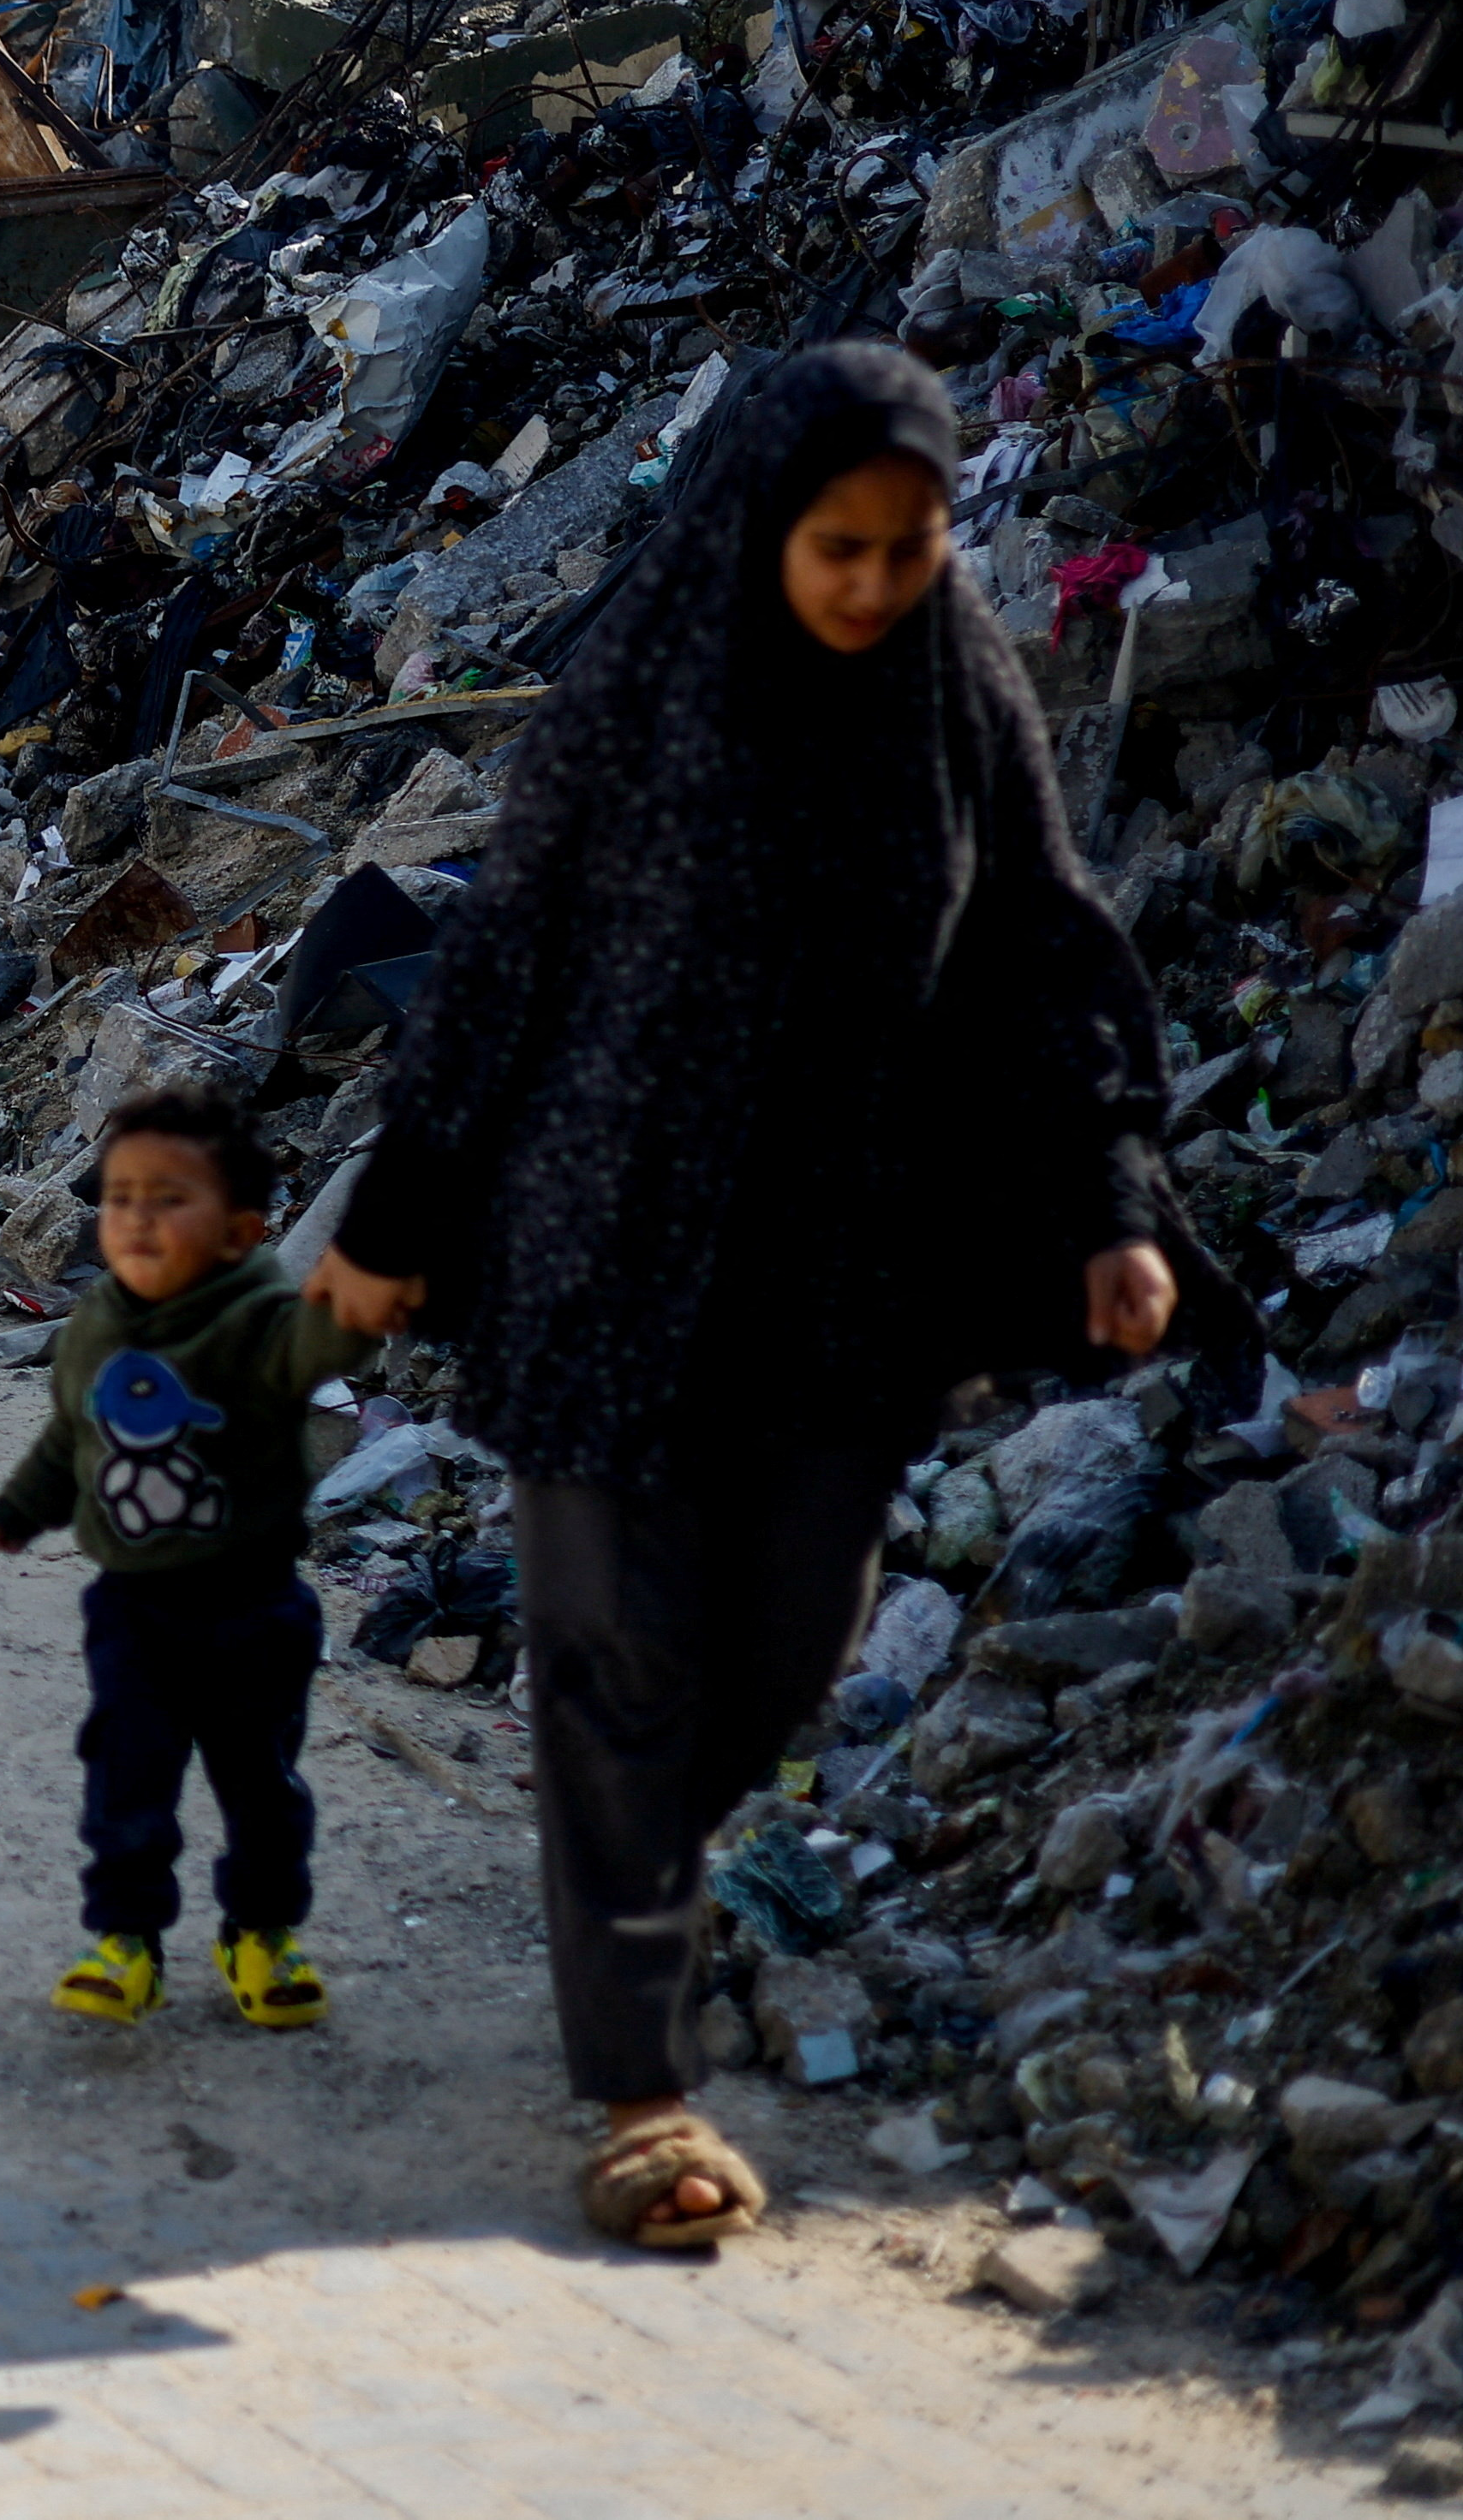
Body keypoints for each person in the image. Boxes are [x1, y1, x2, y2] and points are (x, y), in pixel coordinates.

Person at [302, 340, 1188, 2251]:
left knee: (783, 1648)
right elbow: (503, 955)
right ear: (762, 525)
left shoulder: (950, 682)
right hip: (605, 1243)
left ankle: (622, 1881)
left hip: (846, 1268)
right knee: (618, 1656)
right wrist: (390, 1211)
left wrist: (1113, 1202)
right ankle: (640, 2089)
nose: (870, 584)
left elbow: (1040, 930)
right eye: (836, 547)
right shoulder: (642, 682)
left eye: (907, 545)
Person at [0, 1080, 374, 2034]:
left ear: (242, 1229)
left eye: (170, 1199)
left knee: (259, 1784)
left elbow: (319, 1343)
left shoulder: (258, 1317)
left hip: (254, 1605)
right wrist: (18, 1509)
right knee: (126, 1775)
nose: (138, 1220)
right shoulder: (96, 1325)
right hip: (133, 1610)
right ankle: (125, 1942)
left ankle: (261, 1932)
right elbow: (66, 1440)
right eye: (121, 1198)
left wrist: (365, 1293)